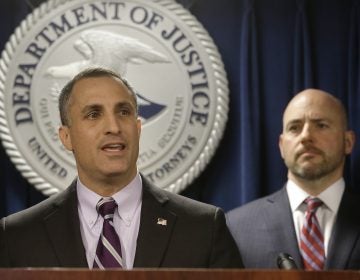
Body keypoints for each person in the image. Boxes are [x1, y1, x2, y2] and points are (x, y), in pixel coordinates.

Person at [0, 67, 243, 269]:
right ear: (66, 137)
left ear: (137, 129)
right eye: (94, 114)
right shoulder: (17, 235)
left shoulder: (203, 228)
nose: (114, 127)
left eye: (123, 112)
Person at [227, 88, 360, 270]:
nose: (306, 136)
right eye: (294, 128)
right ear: (282, 146)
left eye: (321, 125)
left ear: (348, 142)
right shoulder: (235, 228)